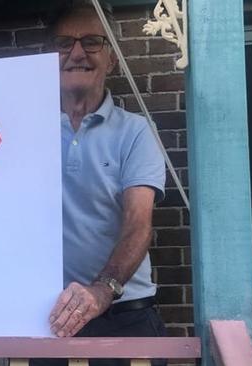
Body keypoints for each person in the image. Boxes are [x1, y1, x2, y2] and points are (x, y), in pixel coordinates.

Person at [45, 2, 167, 365]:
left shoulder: (136, 132)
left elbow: (138, 225)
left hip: (124, 314)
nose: (77, 53)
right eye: (64, 43)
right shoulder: (23, 132)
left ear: (112, 58)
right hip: (52, 318)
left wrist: (102, 290)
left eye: (92, 42)